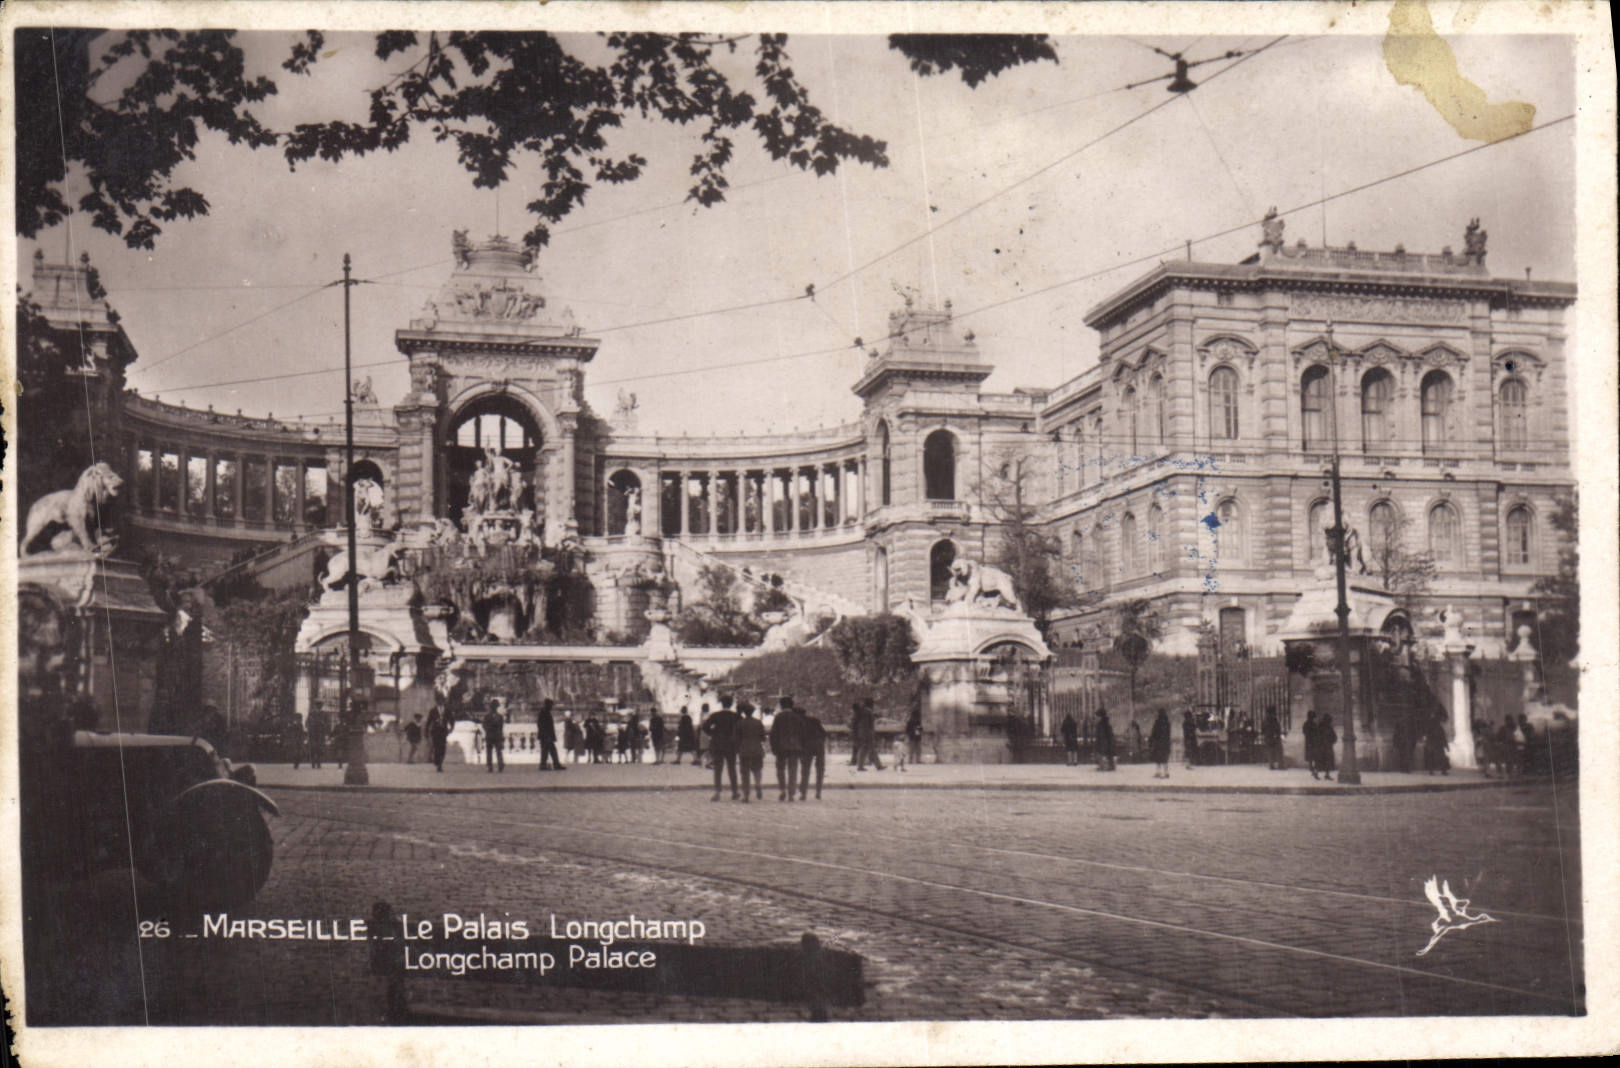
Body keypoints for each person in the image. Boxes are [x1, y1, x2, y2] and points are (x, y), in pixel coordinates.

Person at [704, 694, 741, 801]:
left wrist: (713, 734)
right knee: (732, 768)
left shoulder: (715, 715)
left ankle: (717, 792)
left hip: (718, 744)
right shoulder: (736, 716)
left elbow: (705, 727)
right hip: (731, 745)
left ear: (721, 704)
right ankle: (734, 791)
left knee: (718, 769)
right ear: (731, 704)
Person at [771, 696, 804, 801]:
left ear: (781, 706)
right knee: (793, 770)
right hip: (795, 746)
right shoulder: (797, 717)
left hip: (781, 747)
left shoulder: (778, 717)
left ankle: (782, 789)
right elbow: (803, 733)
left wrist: (774, 747)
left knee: (780, 769)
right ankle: (791, 792)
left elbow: (773, 734)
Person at [736, 700, 767, 802]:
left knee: (745, 773)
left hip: (744, 749)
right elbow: (763, 737)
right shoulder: (758, 722)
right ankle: (758, 784)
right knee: (757, 769)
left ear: (744, 712)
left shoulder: (740, 723)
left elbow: (736, 737)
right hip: (757, 749)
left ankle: (746, 794)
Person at [799, 703, 827, 800]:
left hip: (807, 746)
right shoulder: (814, 720)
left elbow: (800, 738)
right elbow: (823, 733)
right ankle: (818, 791)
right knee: (820, 769)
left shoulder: (799, 723)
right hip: (819, 744)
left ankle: (803, 793)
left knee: (805, 770)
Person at [536, 698, 564, 771]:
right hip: (546, 736)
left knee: (550, 750)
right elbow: (542, 725)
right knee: (547, 750)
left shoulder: (545, 712)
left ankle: (550, 764)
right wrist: (547, 735)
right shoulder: (544, 712)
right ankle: (546, 765)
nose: (552, 707)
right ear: (548, 705)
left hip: (546, 735)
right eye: (551, 705)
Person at [855, 699, 884, 771]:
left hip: (862, 732)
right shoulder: (868, 711)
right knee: (870, 749)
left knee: (865, 749)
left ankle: (861, 766)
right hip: (867, 733)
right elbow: (868, 724)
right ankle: (877, 765)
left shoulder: (862, 711)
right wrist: (870, 733)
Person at [482, 697, 506, 773]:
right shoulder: (488, 716)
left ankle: (500, 765)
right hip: (491, 735)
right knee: (490, 751)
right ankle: (490, 766)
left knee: (498, 751)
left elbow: (501, 727)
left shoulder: (499, 717)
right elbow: (484, 725)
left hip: (496, 736)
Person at [306, 701, 331, 770]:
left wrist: (323, 725)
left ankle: (318, 763)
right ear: (315, 706)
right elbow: (307, 723)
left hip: (320, 734)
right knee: (313, 748)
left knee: (320, 749)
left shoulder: (324, 714)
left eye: (319, 706)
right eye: (317, 706)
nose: (318, 707)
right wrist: (310, 727)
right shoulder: (311, 714)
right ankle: (314, 763)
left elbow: (328, 724)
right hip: (313, 734)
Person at [1149, 707, 1172, 778]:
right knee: (1165, 758)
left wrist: (1152, 740)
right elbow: (1168, 733)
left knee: (1158, 759)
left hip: (1158, 743)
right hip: (1165, 743)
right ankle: (1166, 772)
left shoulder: (1157, 722)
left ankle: (1158, 772)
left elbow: (1154, 733)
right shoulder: (1168, 723)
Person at [426, 703, 449, 773]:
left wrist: (451, 728)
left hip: (443, 732)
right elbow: (429, 721)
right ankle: (439, 764)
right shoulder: (433, 711)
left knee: (443, 748)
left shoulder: (447, 710)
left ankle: (439, 762)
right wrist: (426, 732)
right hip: (435, 732)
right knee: (437, 748)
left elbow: (452, 719)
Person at [1094, 707, 1116, 772]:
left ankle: (1104, 766)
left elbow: (1102, 736)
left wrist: (1101, 743)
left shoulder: (1101, 725)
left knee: (1103, 754)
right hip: (1107, 742)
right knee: (1108, 754)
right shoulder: (1106, 723)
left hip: (1103, 743)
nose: (1096, 718)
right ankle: (1110, 766)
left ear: (1100, 717)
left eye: (1097, 716)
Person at [1261, 706, 1284, 770]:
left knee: (1270, 751)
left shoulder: (1264, 719)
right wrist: (1278, 733)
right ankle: (1280, 765)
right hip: (1274, 736)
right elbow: (1277, 727)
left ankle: (1271, 765)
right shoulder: (1274, 718)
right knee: (1279, 751)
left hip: (1267, 737)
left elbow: (1262, 729)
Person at [1317, 713, 1337, 781]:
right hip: (1325, 747)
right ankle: (1325, 774)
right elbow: (1334, 736)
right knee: (1325, 761)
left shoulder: (1321, 726)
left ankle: (1324, 774)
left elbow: (1334, 736)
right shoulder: (1327, 727)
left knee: (1323, 761)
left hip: (1324, 746)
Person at [1302, 709, 1321, 780]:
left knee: (1310, 757)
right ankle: (1314, 770)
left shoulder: (1306, 724)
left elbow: (1304, 732)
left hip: (1309, 742)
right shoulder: (1313, 724)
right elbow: (1317, 733)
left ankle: (1312, 769)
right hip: (1314, 743)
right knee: (1315, 757)